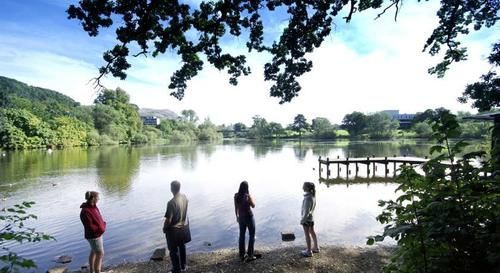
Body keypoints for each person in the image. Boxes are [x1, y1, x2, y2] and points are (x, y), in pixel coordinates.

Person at [163, 180, 189, 273]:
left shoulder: (171, 203)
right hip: (183, 227)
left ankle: (176, 270)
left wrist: (164, 228)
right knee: (182, 247)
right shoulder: (184, 197)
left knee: (173, 251)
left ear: (171, 189)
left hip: (174, 230)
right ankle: (183, 266)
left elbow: (168, 220)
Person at [80, 191, 106, 273]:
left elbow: (98, 218)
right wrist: (100, 229)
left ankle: (92, 270)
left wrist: (103, 224)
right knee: (100, 253)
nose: (99, 199)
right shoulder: (85, 211)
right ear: (93, 198)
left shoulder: (93, 207)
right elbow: (90, 226)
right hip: (94, 236)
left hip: (98, 234)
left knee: (94, 251)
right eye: (97, 197)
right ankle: (97, 271)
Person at [234, 181, 256, 262]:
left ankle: (241, 254)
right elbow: (253, 206)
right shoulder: (247, 196)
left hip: (241, 218)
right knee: (252, 235)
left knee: (242, 235)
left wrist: (237, 217)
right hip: (249, 217)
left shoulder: (236, 196)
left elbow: (235, 208)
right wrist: (251, 198)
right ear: (247, 188)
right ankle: (250, 255)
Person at [301, 182, 319, 257]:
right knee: (312, 232)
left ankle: (309, 251)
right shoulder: (312, 196)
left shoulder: (307, 198)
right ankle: (316, 247)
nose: (302, 187)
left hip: (307, 219)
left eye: (303, 186)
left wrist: (303, 220)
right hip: (311, 218)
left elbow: (306, 211)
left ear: (307, 188)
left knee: (307, 235)